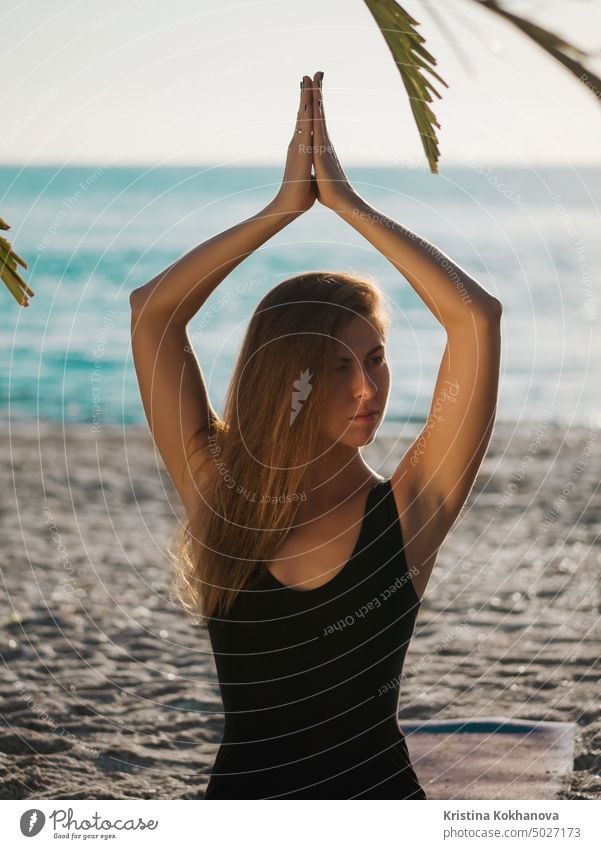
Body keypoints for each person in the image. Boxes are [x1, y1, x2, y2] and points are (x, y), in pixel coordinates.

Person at [129, 71, 502, 798]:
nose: (367, 387)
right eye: (335, 367)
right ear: (286, 377)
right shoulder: (221, 495)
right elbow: (153, 316)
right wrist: (281, 207)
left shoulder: (407, 511)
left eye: (374, 358)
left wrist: (347, 204)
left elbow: (474, 320)